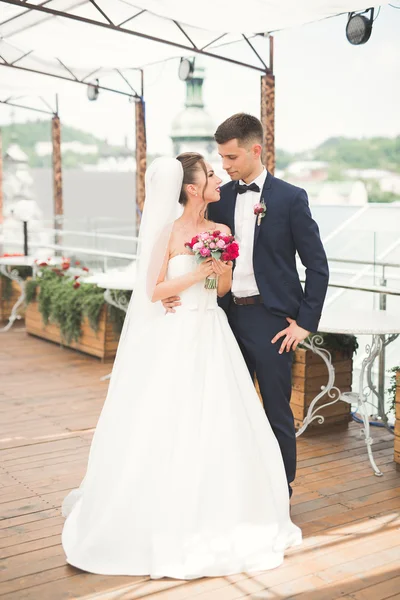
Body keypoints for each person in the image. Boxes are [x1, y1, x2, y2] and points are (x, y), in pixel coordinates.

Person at [61, 152, 302, 580]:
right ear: (192, 188)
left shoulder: (221, 230)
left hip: (213, 329)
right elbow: (152, 290)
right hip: (176, 335)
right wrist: (192, 276)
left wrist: (217, 267)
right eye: (210, 174)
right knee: (170, 419)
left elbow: (223, 286)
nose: (216, 177)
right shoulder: (168, 232)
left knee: (221, 420)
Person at [163, 114, 329, 499]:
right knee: (225, 405)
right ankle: (231, 487)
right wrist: (178, 288)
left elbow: (317, 265)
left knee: (276, 410)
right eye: (220, 159)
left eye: (232, 157)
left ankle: (280, 488)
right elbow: (194, 248)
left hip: (270, 320)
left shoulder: (290, 198)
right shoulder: (219, 201)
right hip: (221, 318)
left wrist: (305, 323)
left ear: (255, 149)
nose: (225, 166)